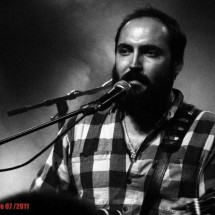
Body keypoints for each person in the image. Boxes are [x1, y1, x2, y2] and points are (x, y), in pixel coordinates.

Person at [30, 7, 215, 215]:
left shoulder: (209, 132)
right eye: (125, 51)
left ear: (177, 64)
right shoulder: (78, 129)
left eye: (150, 52)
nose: (133, 64)